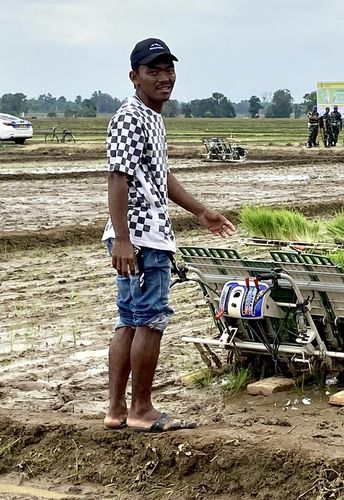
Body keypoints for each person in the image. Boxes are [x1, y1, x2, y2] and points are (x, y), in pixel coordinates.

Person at [102, 38, 236, 433]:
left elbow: (159, 176)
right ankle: (141, 409)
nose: (164, 78)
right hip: (141, 239)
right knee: (150, 321)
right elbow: (117, 178)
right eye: (153, 71)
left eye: (168, 70)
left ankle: (117, 411)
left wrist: (200, 211)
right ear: (134, 77)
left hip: (142, 237)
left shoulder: (151, 117)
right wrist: (125, 239)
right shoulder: (129, 117)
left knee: (129, 320)